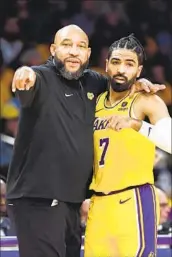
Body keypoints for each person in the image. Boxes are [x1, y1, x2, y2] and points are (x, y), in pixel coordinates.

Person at [7, 25, 165, 257]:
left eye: (80, 46)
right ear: (52, 49)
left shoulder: (96, 84)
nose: (74, 51)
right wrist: (23, 72)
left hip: (80, 202)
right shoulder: (40, 77)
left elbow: (121, 82)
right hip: (38, 199)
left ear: (89, 54)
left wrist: (139, 86)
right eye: (66, 44)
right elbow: (29, 80)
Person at [84, 34, 172, 257]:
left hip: (134, 199)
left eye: (129, 63)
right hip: (99, 203)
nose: (121, 69)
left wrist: (136, 124)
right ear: (106, 65)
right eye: (116, 62)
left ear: (139, 70)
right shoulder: (94, 103)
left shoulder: (146, 100)